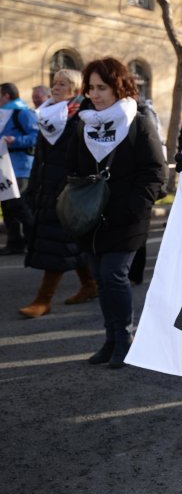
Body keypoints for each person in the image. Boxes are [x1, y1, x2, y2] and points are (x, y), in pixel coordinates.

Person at [66, 58, 166, 369]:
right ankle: (109, 339)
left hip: (126, 217)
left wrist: (133, 206)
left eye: (102, 88)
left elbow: (155, 173)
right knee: (98, 276)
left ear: (118, 87)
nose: (94, 94)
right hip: (92, 216)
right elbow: (72, 166)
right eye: (91, 88)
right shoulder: (83, 123)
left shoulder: (137, 122)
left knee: (113, 274)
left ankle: (124, 339)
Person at [19, 69, 97, 318]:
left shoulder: (81, 118)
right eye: (55, 83)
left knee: (58, 244)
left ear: (75, 89)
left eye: (63, 84)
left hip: (68, 190)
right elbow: (42, 156)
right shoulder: (47, 117)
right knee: (69, 244)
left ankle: (43, 299)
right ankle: (90, 284)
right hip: (46, 186)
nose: (56, 87)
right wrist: (34, 188)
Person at [0, 82, 38, 255]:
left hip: (21, 168)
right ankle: (15, 244)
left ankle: (35, 242)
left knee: (19, 205)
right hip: (5, 169)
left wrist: (15, 141)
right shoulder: (4, 114)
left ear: (6, 96)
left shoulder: (22, 112)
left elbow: (36, 137)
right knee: (7, 207)